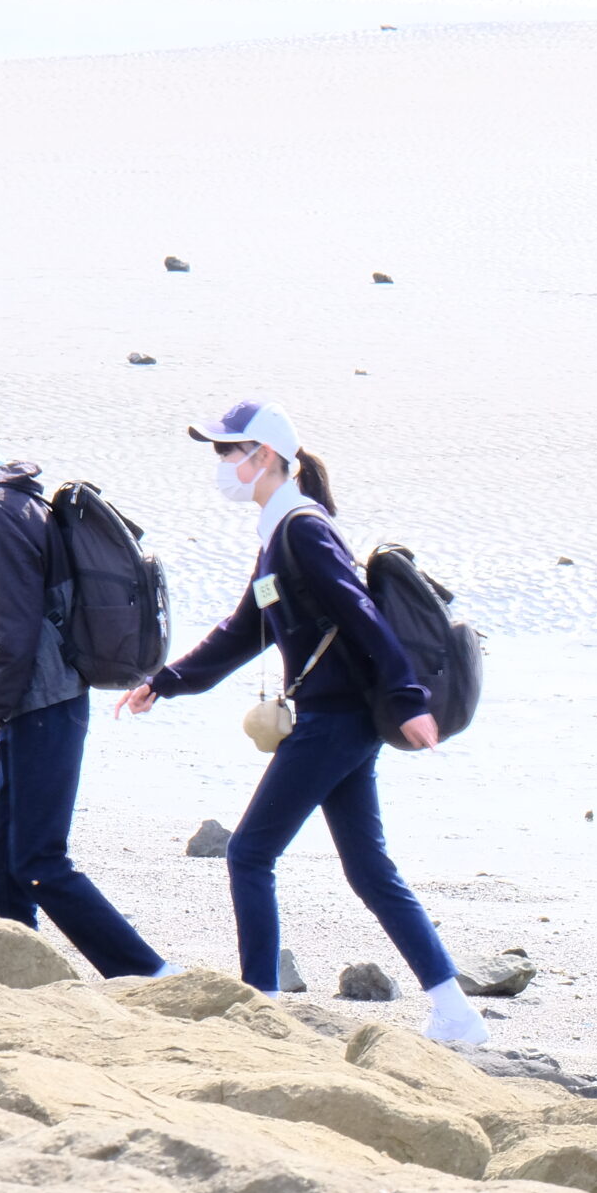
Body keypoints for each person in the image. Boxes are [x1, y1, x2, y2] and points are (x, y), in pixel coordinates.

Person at [116, 399, 485, 1044]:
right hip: (335, 720)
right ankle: (455, 1009)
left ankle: (259, 1005)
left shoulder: (302, 530)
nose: (221, 464)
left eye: (227, 451)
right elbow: (244, 632)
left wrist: (408, 700)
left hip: (336, 722)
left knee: (250, 853)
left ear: (264, 457)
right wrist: (166, 682)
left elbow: (362, 613)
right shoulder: (279, 531)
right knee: (368, 868)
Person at [0, 387, 172, 980]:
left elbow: (14, 621)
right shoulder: (7, 501)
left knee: (40, 860)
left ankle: (151, 974)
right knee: (2, 864)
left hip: (43, 703)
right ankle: (17, 980)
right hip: (36, 701)